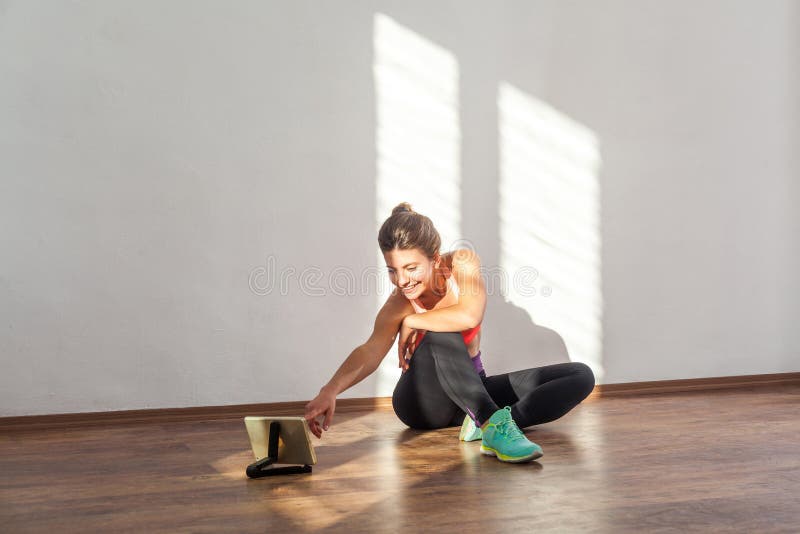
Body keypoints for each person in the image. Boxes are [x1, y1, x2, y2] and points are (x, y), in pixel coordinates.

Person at [304, 202, 595, 463]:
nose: (402, 280)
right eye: (392, 270)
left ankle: (491, 424)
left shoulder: (462, 263)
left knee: (580, 376)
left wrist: (414, 322)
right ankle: (492, 424)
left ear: (435, 258)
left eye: (411, 267)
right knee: (441, 331)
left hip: (472, 392)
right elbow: (370, 350)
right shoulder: (399, 303)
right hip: (422, 403)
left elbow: (469, 315)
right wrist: (329, 390)